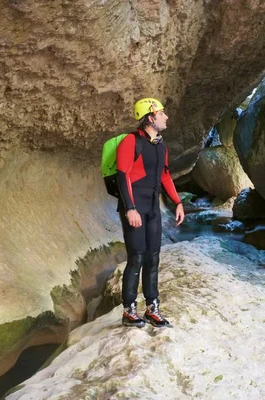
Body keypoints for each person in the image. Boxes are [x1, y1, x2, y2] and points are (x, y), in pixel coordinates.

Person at [116, 97, 185, 328]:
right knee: (136, 257)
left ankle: (152, 309)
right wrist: (130, 208)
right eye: (162, 113)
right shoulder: (130, 141)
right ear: (150, 116)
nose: (166, 117)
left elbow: (165, 176)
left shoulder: (160, 146)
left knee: (152, 257)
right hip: (135, 206)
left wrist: (177, 202)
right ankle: (128, 311)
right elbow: (122, 175)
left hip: (153, 208)